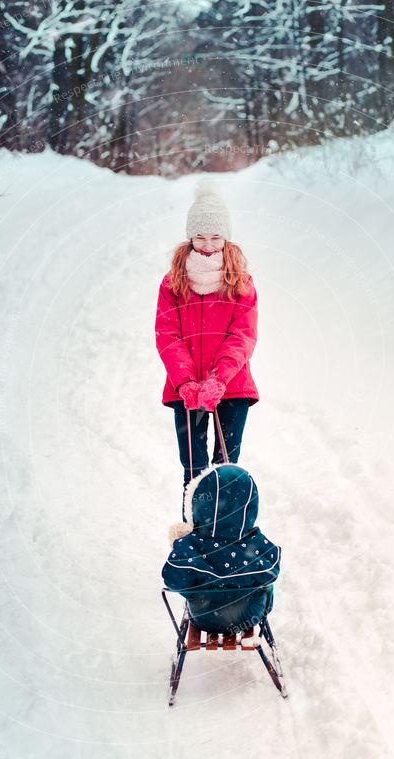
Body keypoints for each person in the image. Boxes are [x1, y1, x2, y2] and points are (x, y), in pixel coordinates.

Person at [155, 179, 259, 520]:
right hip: (185, 391)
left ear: (226, 237)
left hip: (232, 388)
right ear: (190, 237)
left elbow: (242, 334)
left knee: (225, 468)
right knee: (194, 468)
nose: (208, 244)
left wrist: (219, 379)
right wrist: (186, 382)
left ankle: (227, 535)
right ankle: (194, 534)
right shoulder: (173, 282)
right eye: (200, 236)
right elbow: (167, 334)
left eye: (215, 236)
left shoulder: (241, 280)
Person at [162, 464, 281, 634]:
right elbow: (272, 571)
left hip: (205, 618)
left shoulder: (191, 544)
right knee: (266, 585)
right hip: (249, 616)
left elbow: (173, 579)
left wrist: (196, 593)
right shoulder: (255, 543)